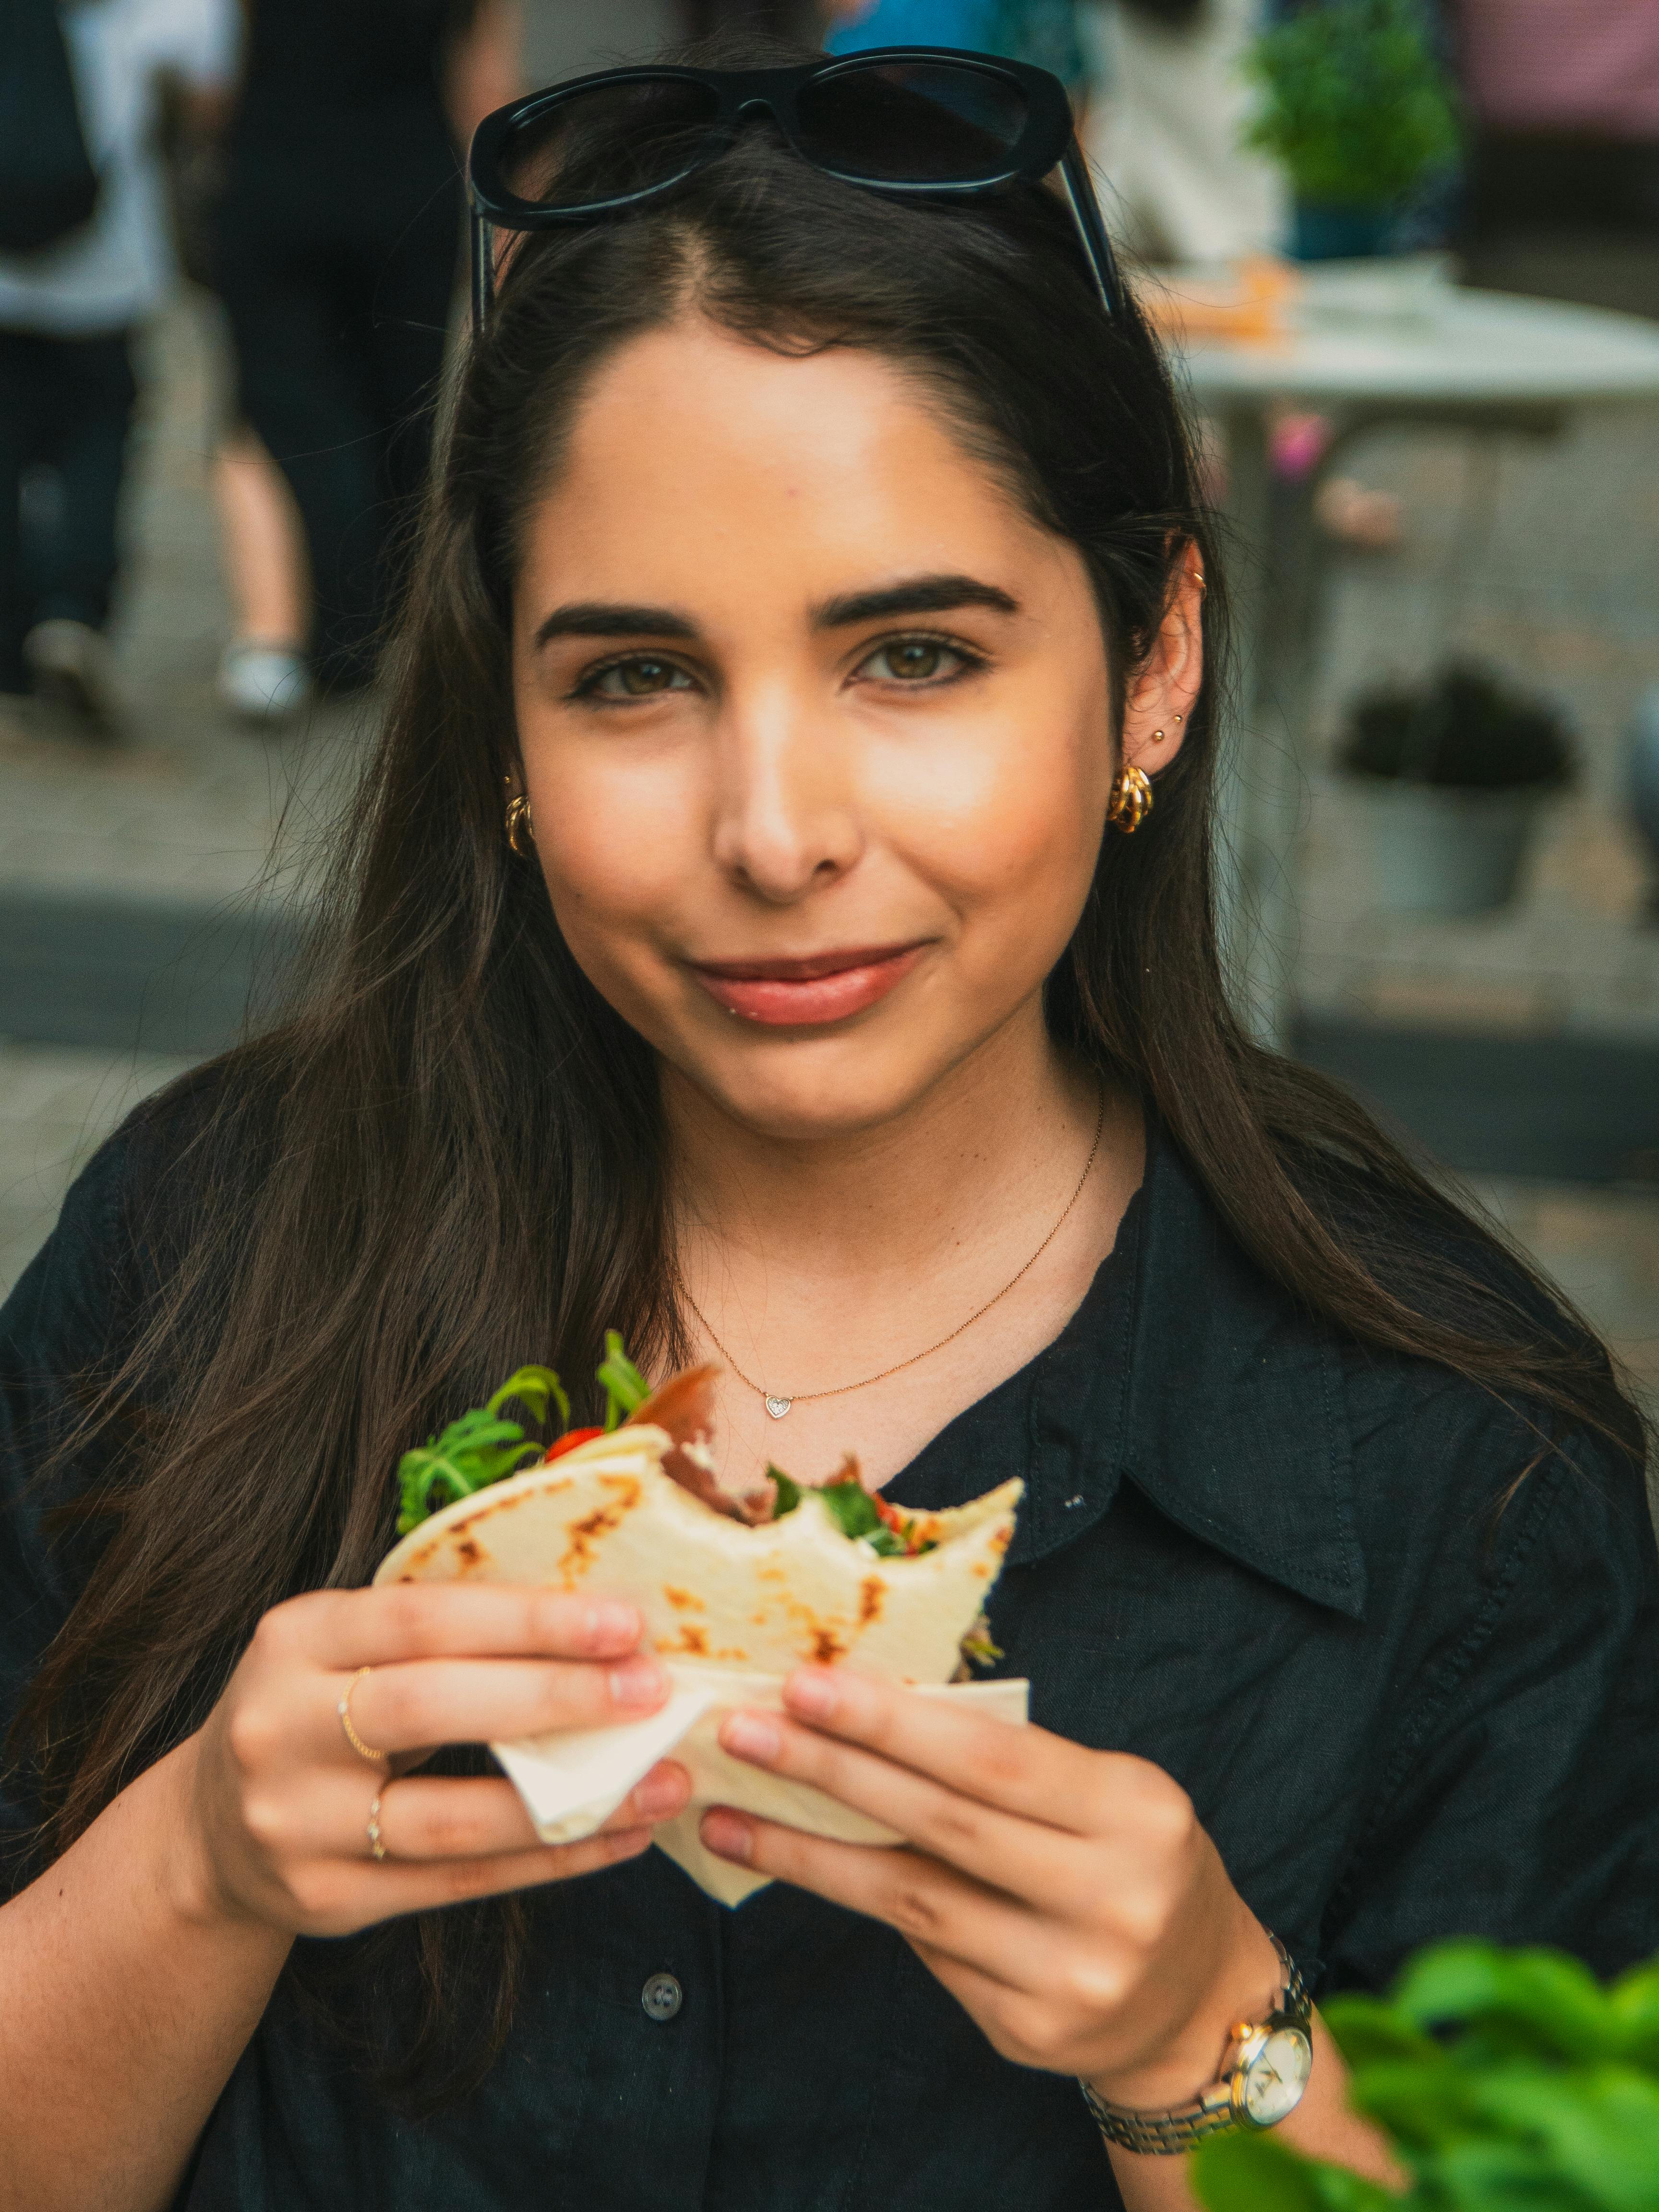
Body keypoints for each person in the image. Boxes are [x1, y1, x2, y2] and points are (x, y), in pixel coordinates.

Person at [1, 39, 1654, 2212]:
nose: (771, 833)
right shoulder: (197, 1266)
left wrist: (1206, 2049)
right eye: (630, 678)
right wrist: (201, 1863)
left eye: (911, 658)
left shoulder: (1469, 1483)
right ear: (500, 715)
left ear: (1149, 657)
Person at [214, 0, 519, 697]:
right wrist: (512, 232)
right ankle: (378, 617)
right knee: (402, 402)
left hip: (272, 172)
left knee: (286, 402)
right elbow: (487, 83)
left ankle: (316, 627)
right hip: (409, 186)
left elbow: (209, 71)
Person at [0, 0, 237, 731]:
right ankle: (76, 609)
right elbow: (210, 92)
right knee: (102, 438)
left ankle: (10, 648)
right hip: (110, 268)